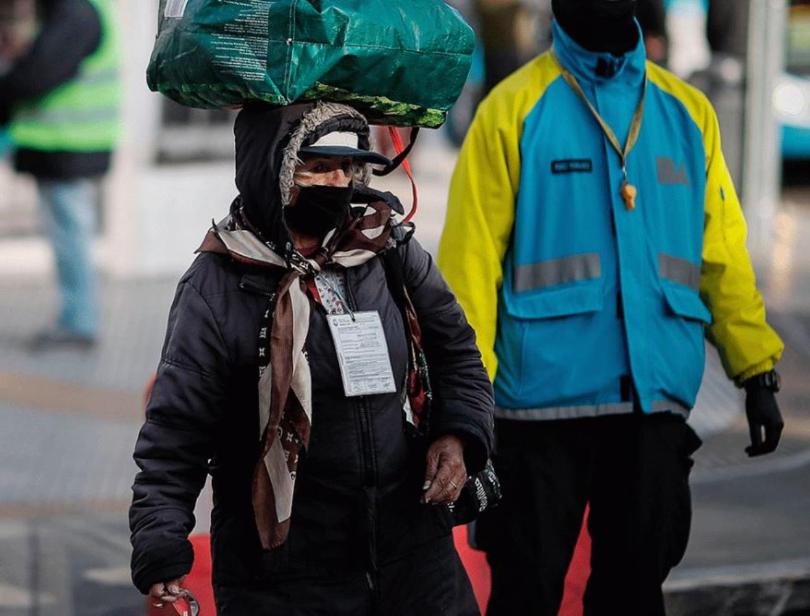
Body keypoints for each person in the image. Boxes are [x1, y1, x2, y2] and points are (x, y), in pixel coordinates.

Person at [437, 0, 785, 614]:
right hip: (536, 413)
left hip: (651, 408)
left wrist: (756, 368)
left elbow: (721, 256)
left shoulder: (687, 112)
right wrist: (465, 411)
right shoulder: (511, 110)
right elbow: (469, 273)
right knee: (524, 593)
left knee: (634, 594)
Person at [129, 101, 494, 615]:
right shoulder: (216, 286)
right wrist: (160, 549)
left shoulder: (384, 246)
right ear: (273, 173)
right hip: (285, 579)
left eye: (347, 167)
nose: (338, 181)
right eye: (318, 167)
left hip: (414, 560)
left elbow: (457, 353)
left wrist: (459, 436)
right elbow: (175, 435)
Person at [0, 0, 121, 350]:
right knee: (67, 233)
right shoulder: (69, 10)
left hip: (69, 144)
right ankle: (76, 319)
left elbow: (38, 74)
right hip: (60, 144)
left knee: (70, 234)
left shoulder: (76, 12)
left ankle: (79, 322)